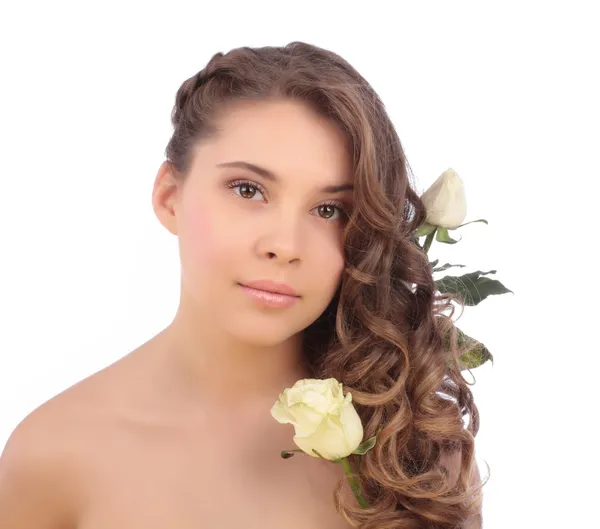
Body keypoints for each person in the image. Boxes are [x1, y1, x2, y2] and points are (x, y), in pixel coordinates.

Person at [0, 41, 485, 528]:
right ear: (170, 197)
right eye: (248, 190)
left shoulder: (416, 449)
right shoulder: (52, 455)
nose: (285, 244)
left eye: (329, 209)